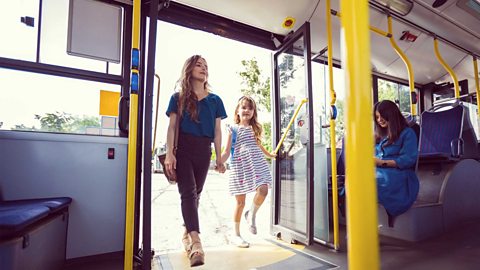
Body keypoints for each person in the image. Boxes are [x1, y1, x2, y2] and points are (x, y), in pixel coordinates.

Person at [164, 55, 227, 267]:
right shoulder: (178, 97)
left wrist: (219, 157)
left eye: (206, 66)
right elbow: (172, 127)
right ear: (189, 69)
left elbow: (217, 131)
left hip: (204, 150)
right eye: (199, 65)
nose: (204, 69)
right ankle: (197, 243)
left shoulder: (215, 100)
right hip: (183, 149)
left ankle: (186, 235)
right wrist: (170, 153)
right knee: (188, 193)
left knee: (196, 195)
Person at [220, 96, 276, 248]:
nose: (247, 110)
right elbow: (226, 151)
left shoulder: (255, 128)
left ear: (253, 112)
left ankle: (251, 214)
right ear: (237, 111)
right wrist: (220, 161)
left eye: (250, 108)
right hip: (240, 167)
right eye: (244, 107)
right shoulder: (233, 129)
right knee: (240, 202)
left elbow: (259, 145)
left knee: (263, 190)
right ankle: (236, 234)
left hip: (257, 164)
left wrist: (270, 154)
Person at [374, 100, 419, 218]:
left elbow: (408, 159)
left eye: (382, 115)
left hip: (400, 175)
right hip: (380, 172)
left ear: (391, 114)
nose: (379, 120)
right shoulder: (382, 138)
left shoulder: (407, 133)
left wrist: (381, 162)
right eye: (377, 117)